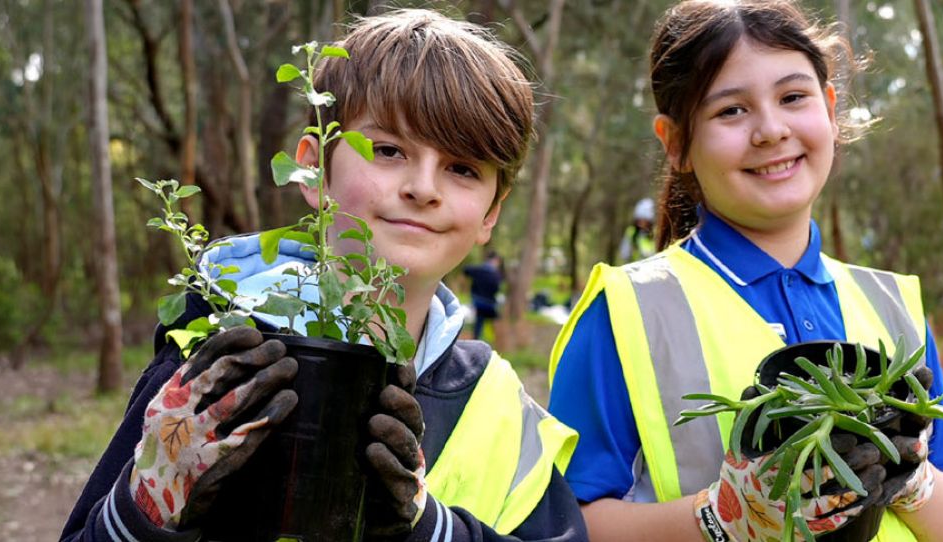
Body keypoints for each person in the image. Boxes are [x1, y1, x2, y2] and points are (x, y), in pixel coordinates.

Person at [60, 11, 585, 542]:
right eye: (388, 150)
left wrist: (432, 528)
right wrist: (146, 508)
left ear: (492, 213)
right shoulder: (215, 364)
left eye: (463, 168)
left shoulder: (493, 404)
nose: (424, 187)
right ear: (313, 169)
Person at [545, 2, 943, 540]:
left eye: (793, 97)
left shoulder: (892, 306)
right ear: (677, 143)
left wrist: (910, 476)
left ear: (829, 108)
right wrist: (723, 518)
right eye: (731, 111)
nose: (771, 130)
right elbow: (566, 526)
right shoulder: (625, 313)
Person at [463, 251, 504, 341]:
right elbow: (496, 289)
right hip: (489, 303)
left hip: (477, 301)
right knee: (496, 321)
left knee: (479, 321)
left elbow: (466, 269)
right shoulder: (496, 275)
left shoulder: (478, 270)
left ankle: (476, 339)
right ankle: (497, 340)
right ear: (495, 260)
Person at [619, 198, 658, 262]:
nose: (641, 223)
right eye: (639, 220)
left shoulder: (656, 233)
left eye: (644, 220)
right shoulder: (632, 232)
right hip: (636, 267)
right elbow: (625, 253)